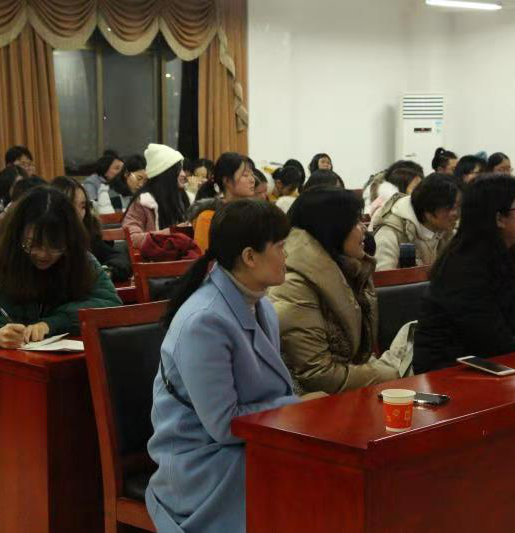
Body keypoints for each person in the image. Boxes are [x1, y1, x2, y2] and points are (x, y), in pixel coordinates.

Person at [147, 200, 302, 533]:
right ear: (249, 257)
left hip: (251, 444)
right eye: (280, 247)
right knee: (309, 481)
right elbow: (223, 424)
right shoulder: (204, 321)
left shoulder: (262, 306)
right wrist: (296, 408)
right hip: (202, 462)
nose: (286, 255)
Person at [0, 188, 121, 438]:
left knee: (92, 435)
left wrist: (53, 323)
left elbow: (110, 306)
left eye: (56, 246)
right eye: (33, 245)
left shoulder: (80, 261)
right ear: (17, 236)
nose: (44, 254)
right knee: (38, 441)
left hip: (60, 394)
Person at [269, 187, 398, 394]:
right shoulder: (293, 284)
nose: (363, 229)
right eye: (355, 222)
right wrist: (391, 375)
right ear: (332, 229)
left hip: (348, 387)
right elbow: (317, 374)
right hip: (311, 402)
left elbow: (360, 355)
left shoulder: (350, 267)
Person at [413, 175, 515, 374]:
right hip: (448, 370)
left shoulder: (509, 253)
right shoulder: (464, 267)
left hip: (489, 361)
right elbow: (489, 337)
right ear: (499, 219)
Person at [51, 176, 132, 282]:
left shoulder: (86, 234)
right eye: (71, 205)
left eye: (83, 206)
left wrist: (106, 272)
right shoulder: (45, 240)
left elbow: (119, 259)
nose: (79, 212)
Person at [372, 173, 460, 271]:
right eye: (451, 208)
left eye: (459, 207)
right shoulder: (390, 234)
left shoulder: (448, 232)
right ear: (428, 208)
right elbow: (383, 278)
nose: (457, 214)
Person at [121, 143, 189, 249]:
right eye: (179, 170)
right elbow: (132, 238)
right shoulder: (143, 202)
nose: (184, 174)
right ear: (166, 174)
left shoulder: (181, 197)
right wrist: (171, 232)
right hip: (153, 257)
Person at [191, 152, 255, 252]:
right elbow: (204, 256)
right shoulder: (208, 217)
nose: (252, 180)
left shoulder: (256, 213)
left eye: (252, 174)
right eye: (245, 175)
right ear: (227, 181)